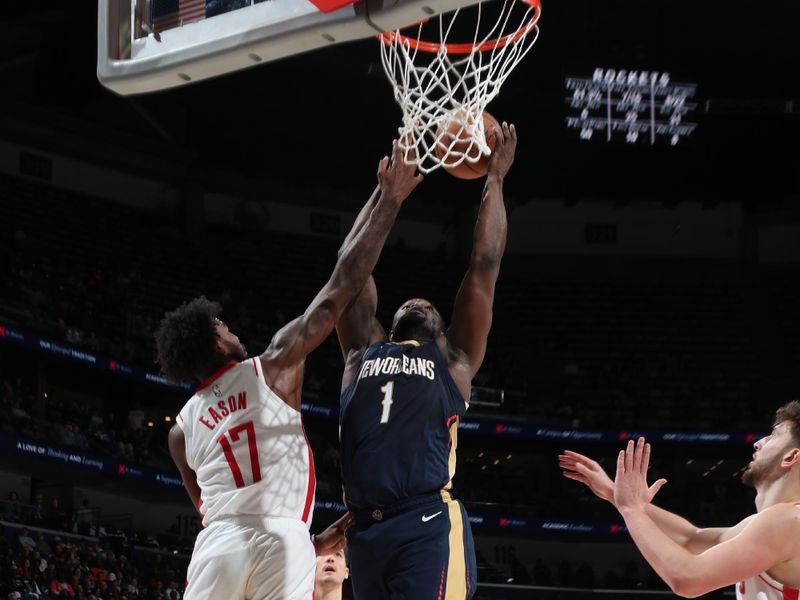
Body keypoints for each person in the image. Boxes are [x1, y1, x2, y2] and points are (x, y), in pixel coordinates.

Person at [155, 141, 422, 600]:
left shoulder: (179, 431)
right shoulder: (275, 365)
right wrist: (389, 198)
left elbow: (209, 506)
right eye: (223, 325)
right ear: (216, 343)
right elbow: (345, 281)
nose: (231, 328)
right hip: (282, 539)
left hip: (218, 544)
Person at [335, 122, 517, 599]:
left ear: (441, 330)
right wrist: (385, 197)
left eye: (430, 308)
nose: (421, 303)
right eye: (414, 306)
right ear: (389, 327)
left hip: (426, 524)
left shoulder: (453, 360)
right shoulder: (361, 351)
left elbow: (485, 265)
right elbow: (350, 269)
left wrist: (494, 180)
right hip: (365, 531)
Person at [559, 400, 800, 599]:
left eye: (773, 436)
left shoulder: (788, 522)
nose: (758, 443)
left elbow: (688, 579)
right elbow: (689, 538)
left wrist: (631, 509)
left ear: (791, 456)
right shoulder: (776, 522)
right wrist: (616, 495)